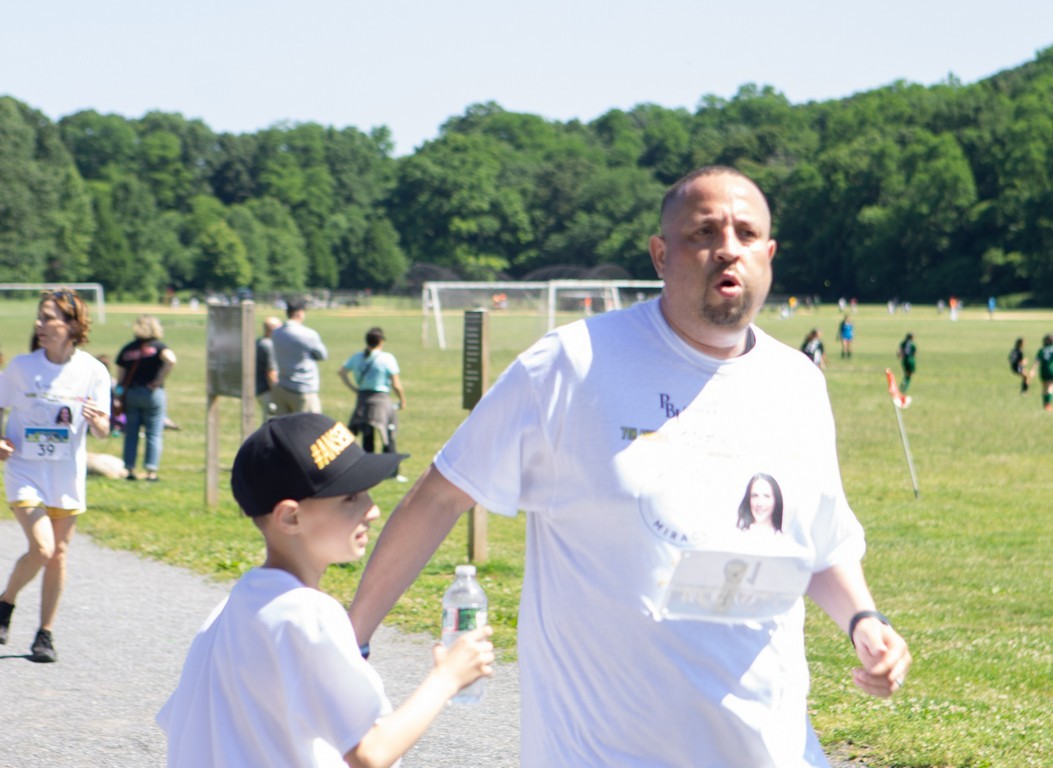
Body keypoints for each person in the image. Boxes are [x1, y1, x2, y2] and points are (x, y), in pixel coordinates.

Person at [348, 166, 912, 767]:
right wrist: (349, 641)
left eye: (746, 234)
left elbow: (818, 542)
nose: (728, 248)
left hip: (770, 748)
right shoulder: (572, 364)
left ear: (768, 256)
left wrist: (863, 619)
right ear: (661, 254)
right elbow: (441, 496)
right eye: (704, 233)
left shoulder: (796, 382)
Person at [156, 413, 493, 766]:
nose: (373, 510)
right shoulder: (308, 613)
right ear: (291, 518)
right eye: (350, 498)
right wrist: (447, 677)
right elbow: (370, 752)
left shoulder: (232, 606)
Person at [0, 289, 111, 662]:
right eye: (40, 316)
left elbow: (103, 430)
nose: (40, 324)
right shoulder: (21, 367)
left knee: (58, 555)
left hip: (65, 475)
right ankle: (7, 602)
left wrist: (98, 422)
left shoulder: (93, 371)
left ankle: (43, 635)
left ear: (72, 326)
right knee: (43, 548)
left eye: (48, 318)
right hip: (24, 469)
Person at [339, 326, 407, 481]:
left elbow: (341, 372)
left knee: (367, 436)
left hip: (363, 399)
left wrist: (353, 388)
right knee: (388, 435)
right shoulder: (387, 358)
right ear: (381, 341)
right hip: (381, 400)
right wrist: (402, 400)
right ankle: (391, 472)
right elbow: (396, 384)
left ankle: (367, 471)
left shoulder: (357, 357)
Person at [116, 315, 177, 482]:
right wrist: (158, 380)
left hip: (131, 394)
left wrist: (119, 396)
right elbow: (171, 360)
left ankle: (129, 469)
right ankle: (151, 471)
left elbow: (120, 378)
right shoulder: (158, 347)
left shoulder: (128, 349)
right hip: (152, 394)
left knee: (131, 433)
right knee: (154, 433)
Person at [271, 298, 328, 415]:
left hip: (282, 385)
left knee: (284, 425)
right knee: (309, 425)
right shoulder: (308, 334)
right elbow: (322, 355)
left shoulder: (276, 333)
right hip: (303, 388)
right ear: (299, 313)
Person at [255, 315, 282, 420]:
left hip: (258, 388)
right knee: (272, 419)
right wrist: (276, 392)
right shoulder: (269, 345)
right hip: (268, 390)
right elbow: (271, 371)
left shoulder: (258, 342)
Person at [1029, 334, 1053, 412]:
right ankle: (1047, 405)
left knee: (1044, 387)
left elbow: (1037, 360)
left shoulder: (1042, 350)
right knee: (1050, 387)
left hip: (1043, 371)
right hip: (1051, 370)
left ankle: (1045, 404)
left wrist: (1032, 370)